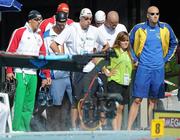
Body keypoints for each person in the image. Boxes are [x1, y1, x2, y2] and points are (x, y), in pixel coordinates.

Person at [50, 8, 109, 129]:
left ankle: (88, 125)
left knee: (90, 99)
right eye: (86, 19)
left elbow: (107, 45)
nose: (88, 21)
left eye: (90, 19)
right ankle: (75, 127)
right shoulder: (72, 28)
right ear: (80, 18)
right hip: (76, 70)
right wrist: (63, 57)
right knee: (76, 101)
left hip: (91, 70)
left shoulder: (95, 30)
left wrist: (97, 54)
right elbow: (53, 44)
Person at [127, 6, 178, 130]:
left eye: (157, 14)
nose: (155, 16)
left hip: (158, 69)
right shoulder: (139, 28)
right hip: (143, 68)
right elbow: (128, 42)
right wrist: (134, 59)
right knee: (137, 99)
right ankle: (128, 129)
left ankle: (151, 128)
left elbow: (174, 43)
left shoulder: (165, 28)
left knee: (153, 100)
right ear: (147, 15)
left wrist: (165, 59)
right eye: (152, 14)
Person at [6, 10, 51, 131]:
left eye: (40, 20)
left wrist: (46, 75)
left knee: (29, 104)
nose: (39, 22)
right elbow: (10, 52)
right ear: (30, 20)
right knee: (19, 102)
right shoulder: (20, 32)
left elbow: (43, 56)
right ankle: (16, 130)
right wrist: (9, 70)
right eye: (37, 19)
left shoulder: (39, 36)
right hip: (20, 73)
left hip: (33, 73)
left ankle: (25, 129)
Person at [43, 11, 73, 131]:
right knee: (55, 105)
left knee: (72, 104)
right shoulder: (47, 35)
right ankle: (54, 130)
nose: (62, 26)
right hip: (55, 75)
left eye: (64, 23)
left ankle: (69, 128)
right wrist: (45, 75)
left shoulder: (69, 31)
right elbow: (44, 56)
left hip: (70, 74)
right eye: (60, 24)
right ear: (55, 21)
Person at [103, 31, 133, 130]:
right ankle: (115, 132)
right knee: (115, 107)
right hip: (115, 82)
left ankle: (119, 131)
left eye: (127, 41)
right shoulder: (114, 51)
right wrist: (106, 71)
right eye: (123, 41)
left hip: (125, 83)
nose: (125, 43)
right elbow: (101, 60)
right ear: (119, 41)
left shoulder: (128, 53)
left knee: (121, 108)